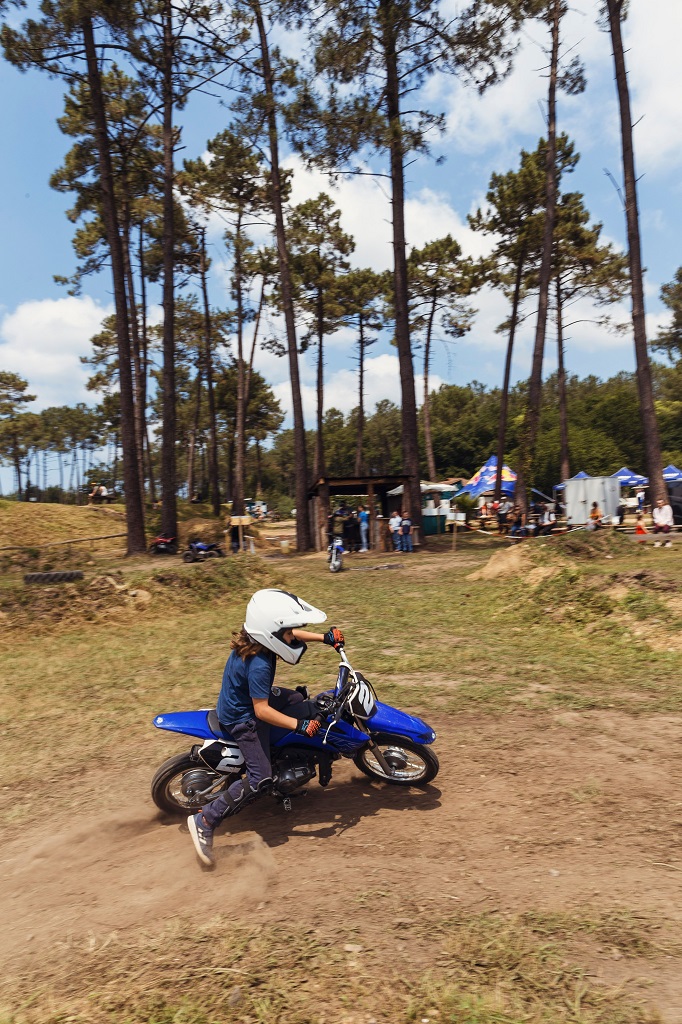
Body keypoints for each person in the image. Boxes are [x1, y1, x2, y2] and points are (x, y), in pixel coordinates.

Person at [188, 589, 345, 867]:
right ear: (271, 633)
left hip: (242, 699)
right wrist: (299, 725)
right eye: (287, 632)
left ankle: (277, 753)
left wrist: (324, 638)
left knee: (297, 698)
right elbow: (261, 711)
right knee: (260, 778)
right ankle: (206, 819)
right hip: (243, 718)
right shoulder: (260, 664)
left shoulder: (256, 639)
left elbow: (289, 634)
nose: (292, 636)